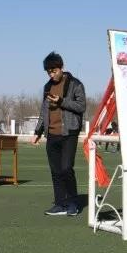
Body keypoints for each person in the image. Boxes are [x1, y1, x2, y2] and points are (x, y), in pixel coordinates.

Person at [33, 52, 86, 216]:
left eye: (54, 71)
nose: (51, 74)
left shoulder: (75, 84)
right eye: (48, 72)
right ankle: (60, 204)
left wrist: (61, 101)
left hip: (69, 133)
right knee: (55, 171)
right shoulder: (47, 87)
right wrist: (38, 131)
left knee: (66, 168)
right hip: (52, 134)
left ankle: (73, 203)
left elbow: (81, 106)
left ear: (61, 67)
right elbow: (44, 110)